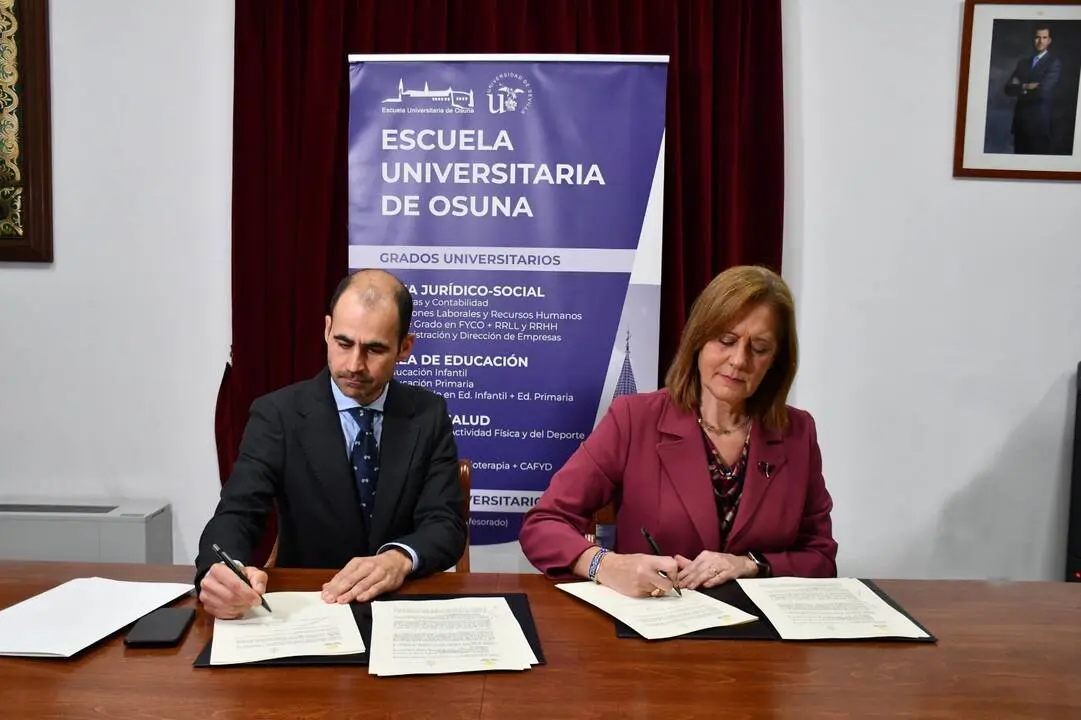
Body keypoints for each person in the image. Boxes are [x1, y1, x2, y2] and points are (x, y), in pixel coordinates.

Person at [519, 265, 837, 598]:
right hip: (656, 619)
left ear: (775, 361)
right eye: (726, 340)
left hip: (760, 626)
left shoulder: (797, 432)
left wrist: (752, 563)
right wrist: (606, 565)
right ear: (698, 339)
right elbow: (543, 524)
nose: (739, 360)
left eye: (759, 349)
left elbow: (821, 558)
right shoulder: (633, 419)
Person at [195, 269, 466, 619]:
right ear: (326, 330)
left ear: (405, 348)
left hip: (400, 606)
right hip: (308, 607)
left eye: (375, 349)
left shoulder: (428, 414)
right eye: (343, 343)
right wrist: (219, 570)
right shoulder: (278, 415)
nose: (354, 365)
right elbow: (238, 512)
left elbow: (445, 523)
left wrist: (399, 558)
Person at [1005, 25, 1062, 155]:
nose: (1040, 41)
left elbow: (1042, 91)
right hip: (1020, 124)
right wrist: (1027, 86)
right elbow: (1008, 89)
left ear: (1049, 40)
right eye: (1037, 37)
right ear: (1033, 39)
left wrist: (1020, 86)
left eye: (1044, 37)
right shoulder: (1023, 63)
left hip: (1039, 126)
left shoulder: (1054, 63)